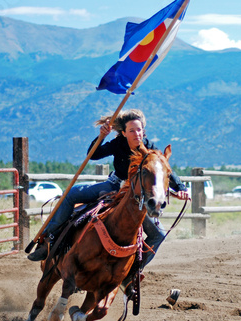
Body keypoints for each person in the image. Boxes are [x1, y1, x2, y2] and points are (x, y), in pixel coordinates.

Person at [28, 109, 189, 299]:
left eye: (140, 130)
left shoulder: (149, 149)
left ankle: (130, 274)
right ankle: (49, 241)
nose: (137, 134)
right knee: (71, 194)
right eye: (132, 130)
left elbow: (162, 168)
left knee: (159, 234)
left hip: (133, 197)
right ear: (123, 132)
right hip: (113, 186)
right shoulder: (118, 143)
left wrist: (180, 187)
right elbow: (93, 154)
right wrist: (101, 136)